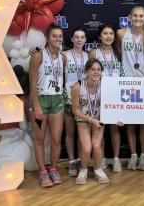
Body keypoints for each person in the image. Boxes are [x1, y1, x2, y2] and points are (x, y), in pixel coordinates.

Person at [117, 6, 144, 170]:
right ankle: (133, 155)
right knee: (130, 122)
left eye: (141, 16)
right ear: (129, 17)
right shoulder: (120, 33)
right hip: (126, 80)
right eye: (135, 16)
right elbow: (117, 53)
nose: (138, 19)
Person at [29, 24, 66, 188]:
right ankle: (43, 172)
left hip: (56, 100)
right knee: (39, 139)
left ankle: (54, 169)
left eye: (60, 36)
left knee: (56, 140)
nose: (57, 39)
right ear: (47, 38)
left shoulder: (63, 57)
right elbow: (32, 81)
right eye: (54, 36)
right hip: (40, 100)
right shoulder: (38, 55)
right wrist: (36, 106)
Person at [89, 24, 123, 172]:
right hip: (99, 94)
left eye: (111, 33)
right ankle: (101, 158)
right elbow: (89, 74)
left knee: (115, 129)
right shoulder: (94, 53)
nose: (108, 36)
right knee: (99, 128)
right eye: (105, 33)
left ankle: (116, 159)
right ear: (99, 36)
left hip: (116, 95)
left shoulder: (119, 52)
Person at [72, 58, 109, 184]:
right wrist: (90, 119)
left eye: (98, 69)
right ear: (87, 71)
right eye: (93, 69)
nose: (96, 72)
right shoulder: (78, 86)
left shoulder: (106, 85)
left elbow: (114, 104)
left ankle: (98, 169)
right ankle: (83, 170)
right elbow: (75, 110)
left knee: (97, 145)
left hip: (99, 119)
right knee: (87, 148)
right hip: (83, 119)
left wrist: (116, 119)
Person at [63, 27, 88, 177]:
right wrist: (35, 50)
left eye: (82, 37)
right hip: (67, 97)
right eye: (76, 37)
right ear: (72, 39)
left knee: (82, 132)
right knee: (70, 131)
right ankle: (72, 160)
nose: (79, 39)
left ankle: (80, 159)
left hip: (84, 98)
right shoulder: (64, 55)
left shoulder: (88, 56)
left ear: (85, 40)